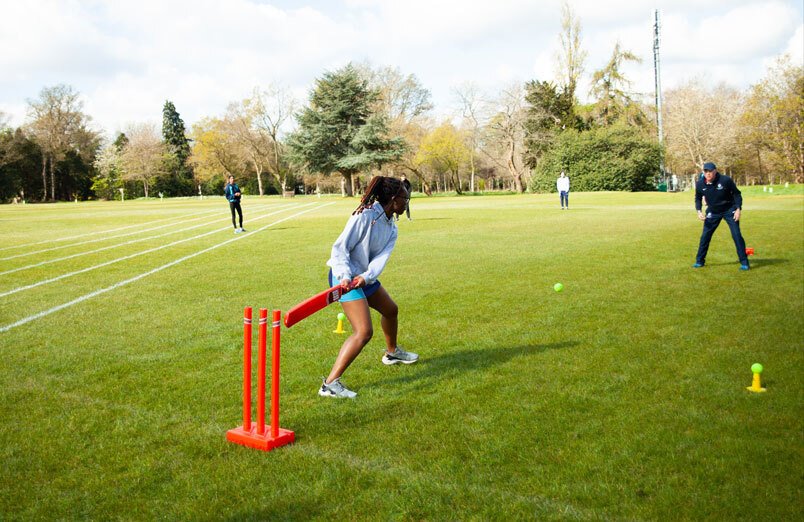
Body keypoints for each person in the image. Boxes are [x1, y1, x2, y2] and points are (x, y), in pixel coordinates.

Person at [320, 176, 418, 399]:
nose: (407, 203)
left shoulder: (392, 227)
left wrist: (366, 277)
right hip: (342, 276)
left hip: (363, 278)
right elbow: (340, 249)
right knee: (364, 332)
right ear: (394, 199)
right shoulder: (364, 216)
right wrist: (345, 276)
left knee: (391, 311)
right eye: (406, 198)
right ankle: (329, 384)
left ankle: (392, 353)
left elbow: (380, 259)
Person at [693, 162, 749, 270]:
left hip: (729, 210)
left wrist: (738, 209)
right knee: (705, 236)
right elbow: (698, 198)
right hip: (713, 212)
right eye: (706, 171)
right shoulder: (700, 184)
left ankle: (744, 263)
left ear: (715, 171)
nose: (708, 174)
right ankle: (700, 261)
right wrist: (699, 211)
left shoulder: (725, 180)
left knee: (736, 235)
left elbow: (737, 194)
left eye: (710, 171)